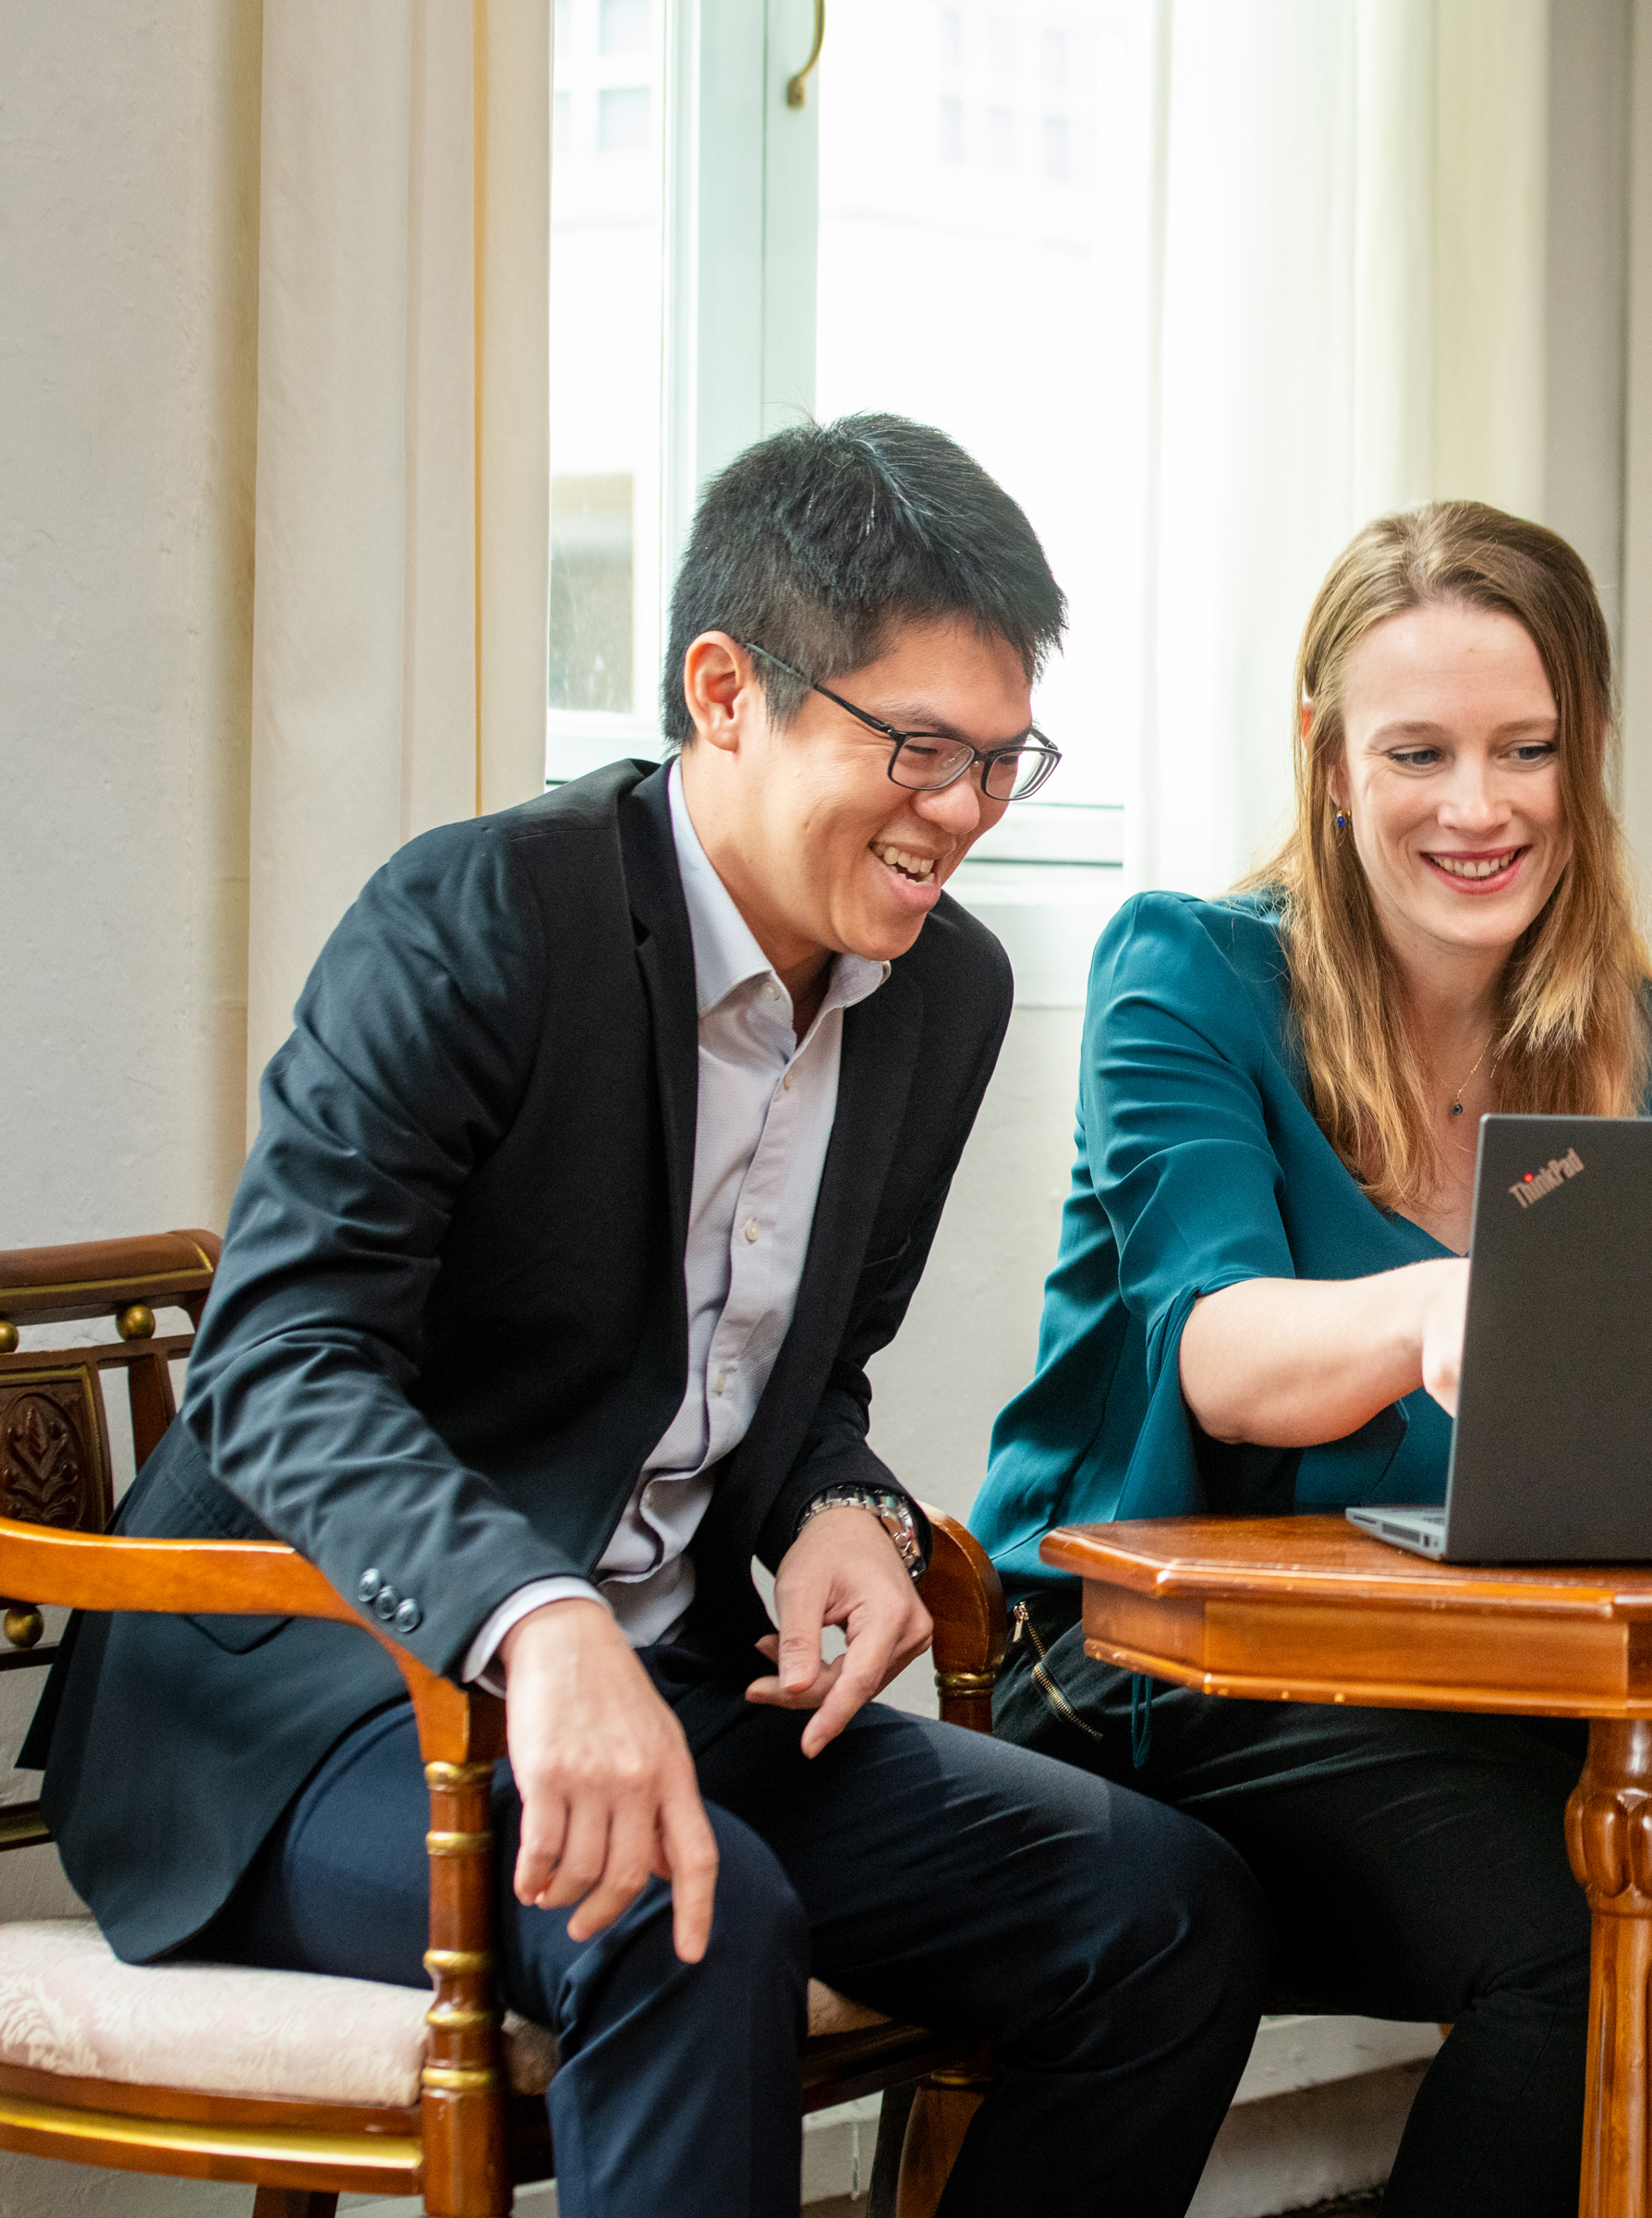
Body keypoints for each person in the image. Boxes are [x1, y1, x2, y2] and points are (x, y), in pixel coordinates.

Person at [30, 416, 1268, 2216]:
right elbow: (280, 1357)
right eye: (918, 746)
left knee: (1165, 1910)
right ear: (725, 691)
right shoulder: (478, 921)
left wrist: (839, 1507)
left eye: (1006, 759)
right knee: (696, 1917)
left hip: (668, 1684)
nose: (968, 812)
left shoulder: (945, 996)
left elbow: (803, 1370)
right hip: (306, 1709)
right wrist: (534, 1624)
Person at [975, 499, 1652, 2218]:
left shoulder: (1649, 1044)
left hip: (1491, 1688)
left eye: (1526, 748)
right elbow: (1218, 1353)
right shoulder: (1184, 976)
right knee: (1581, 1927)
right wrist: (1435, 1311)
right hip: (1162, 1674)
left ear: (1588, 756)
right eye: (1418, 752)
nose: (1476, 806)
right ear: (1329, 762)